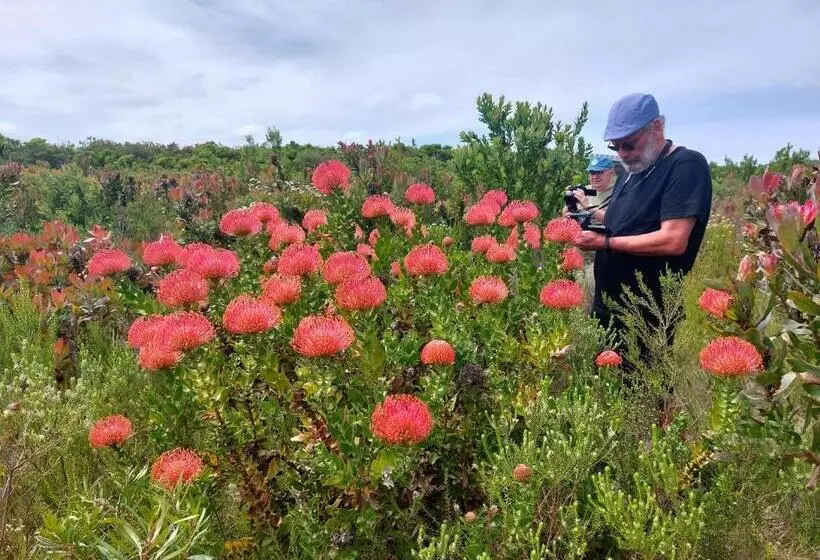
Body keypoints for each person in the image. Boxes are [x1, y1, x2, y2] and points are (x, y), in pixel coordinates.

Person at [572, 93, 713, 356]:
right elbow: (620, 221)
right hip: (607, 305)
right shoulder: (631, 171)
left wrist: (604, 242)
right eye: (616, 147)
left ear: (656, 128)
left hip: (646, 312)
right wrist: (585, 219)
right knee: (602, 386)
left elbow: (673, 239)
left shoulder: (686, 166)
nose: (623, 154)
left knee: (640, 388)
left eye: (629, 144)